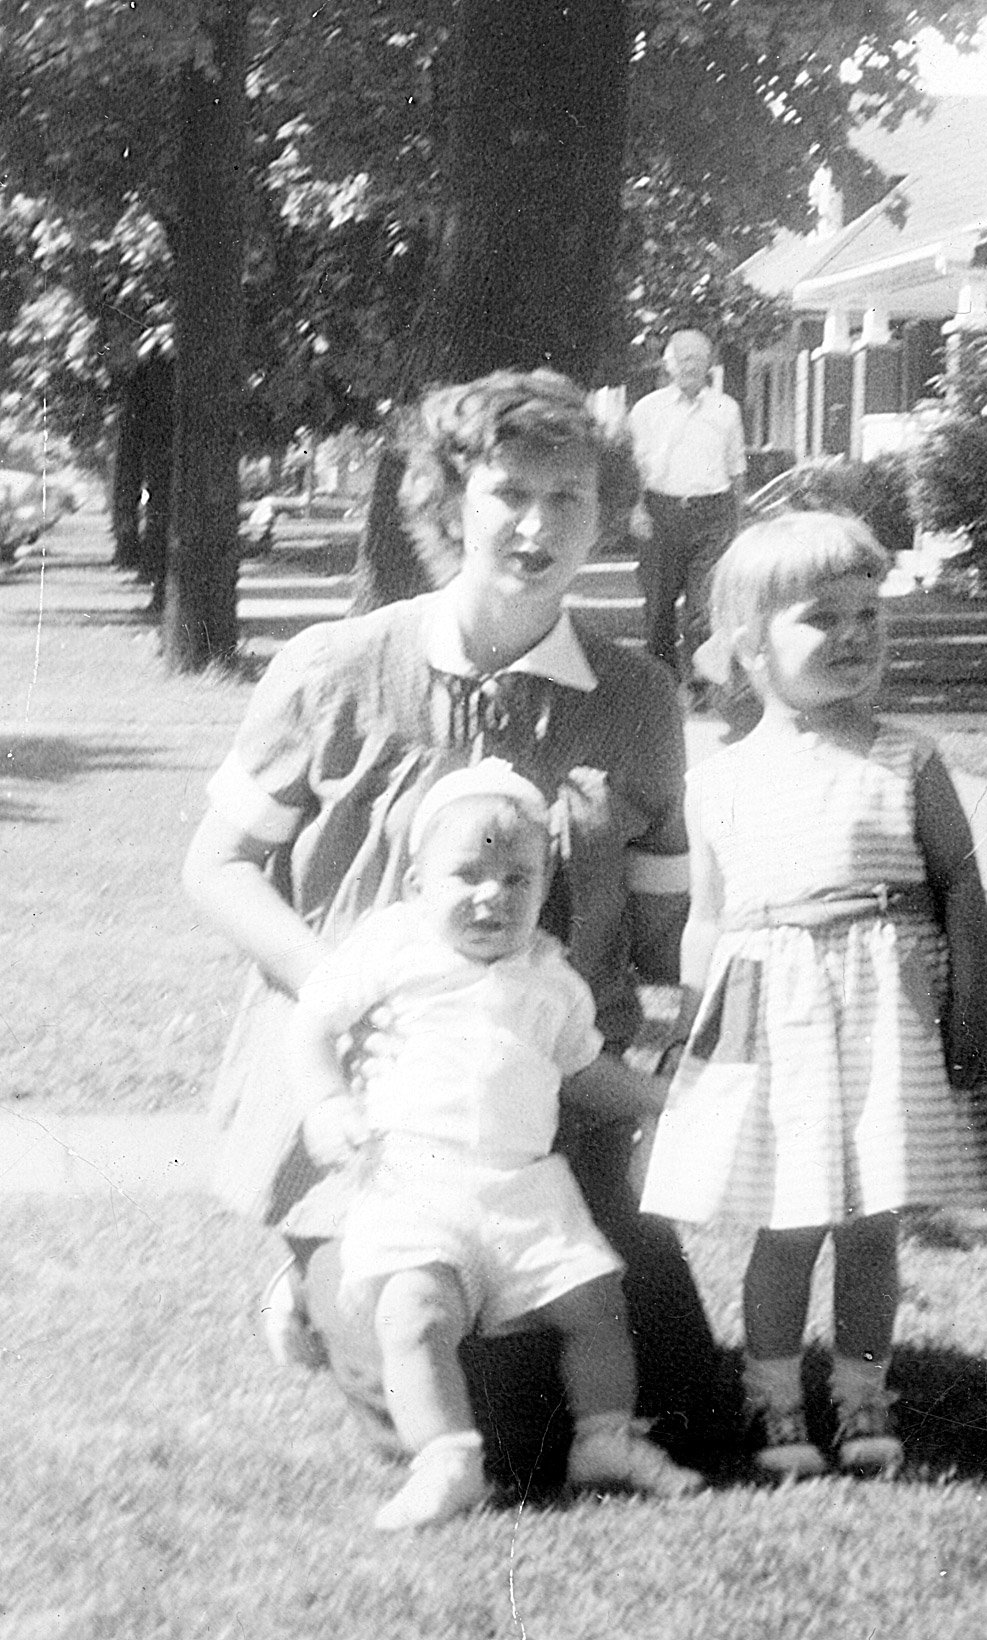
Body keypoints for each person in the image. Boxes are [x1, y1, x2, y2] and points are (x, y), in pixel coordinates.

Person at [182, 368, 722, 1477]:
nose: (536, 525)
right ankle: (311, 1275)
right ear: (447, 503)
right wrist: (353, 986)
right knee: (501, 1447)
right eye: (507, 493)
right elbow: (219, 865)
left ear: (607, 511)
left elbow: (667, 935)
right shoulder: (336, 669)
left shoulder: (636, 697)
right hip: (362, 1115)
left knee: (687, 1413)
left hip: (539, 1109)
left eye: (568, 497)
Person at [639, 511, 987, 1480]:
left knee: (871, 1224)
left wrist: (971, 1008)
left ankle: (862, 1391)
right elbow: (713, 918)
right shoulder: (721, 778)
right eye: (824, 617)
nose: (857, 635)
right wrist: (696, 1031)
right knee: (787, 1222)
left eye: (872, 612)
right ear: (749, 646)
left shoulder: (908, 757)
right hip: (775, 1021)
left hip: (890, 1016)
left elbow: (961, 887)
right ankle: (775, 1401)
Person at [290, 761, 702, 1527]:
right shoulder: (395, 950)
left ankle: (603, 1439)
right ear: (417, 884)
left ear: (546, 889)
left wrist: (659, 1095)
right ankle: (446, 1459)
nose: (493, 895)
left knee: (596, 1302)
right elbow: (313, 1023)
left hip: (525, 1185)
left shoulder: (551, 980)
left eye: (518, 878)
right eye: (468, 874)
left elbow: (583, 1072)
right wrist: (325, 1101)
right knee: (414, 1313)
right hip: (416, 1177)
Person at [627, 330, 747, 702]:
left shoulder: (726, 409)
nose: (690, 364)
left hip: (712, 515)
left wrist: (735, 521)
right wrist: (636, 509)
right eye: (681, 357)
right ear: (667, 365)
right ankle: (662, 682)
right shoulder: (647, 409)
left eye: (697, 356)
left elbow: (736, 467)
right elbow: (632, 467)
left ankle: (698, 683)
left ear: (710, 362)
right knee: (659, 606)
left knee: (703, 608)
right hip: (660, 514)